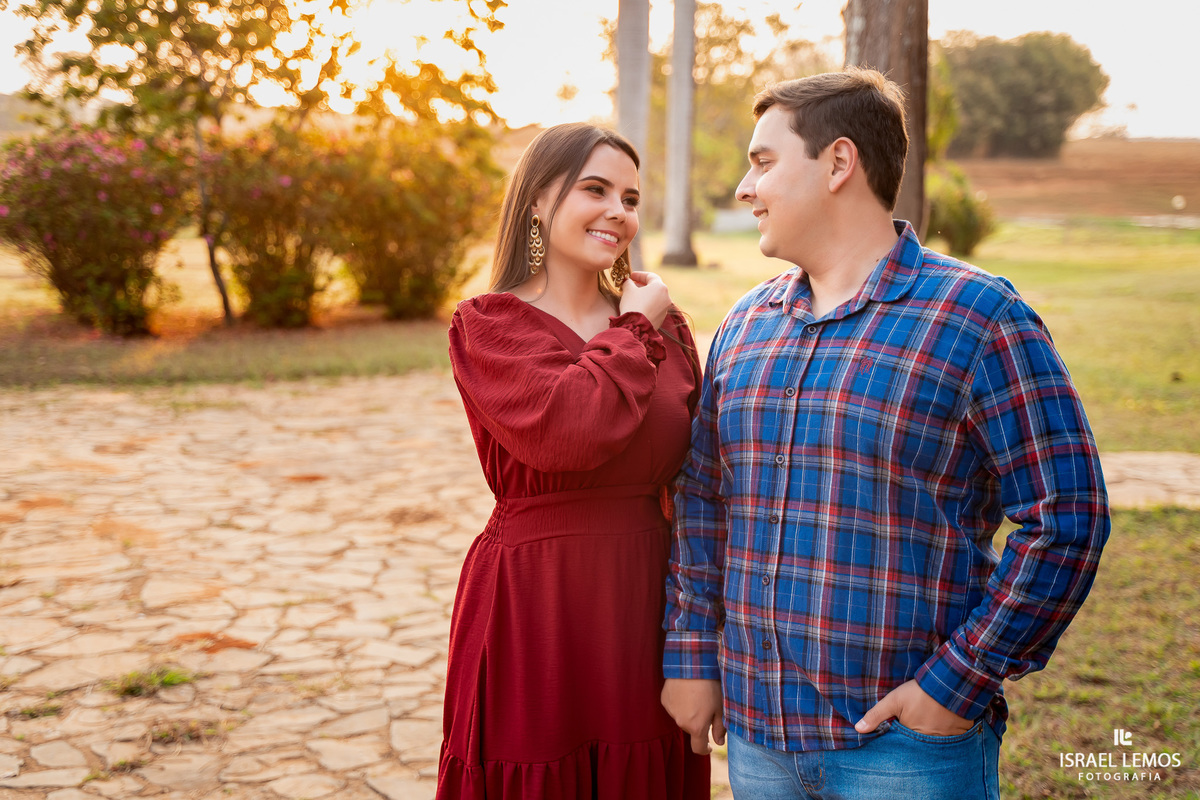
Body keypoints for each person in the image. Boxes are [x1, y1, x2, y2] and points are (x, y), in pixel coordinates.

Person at [660, 68, 1110, 799]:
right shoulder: (745, 324)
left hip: (907, 751)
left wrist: (957, 683)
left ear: (839, 163)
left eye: (763, 162)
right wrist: (689, 653)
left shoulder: (978, 316)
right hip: (758, 741)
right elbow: (707, 498)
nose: (746, 189)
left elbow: (1067, 518)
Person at [437, 122, 710, 800]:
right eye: (596, 189)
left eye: (630, 197)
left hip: (646, 600)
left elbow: (701, 474)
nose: (619, 212)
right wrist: (636, 331)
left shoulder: (666, 325)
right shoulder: (488, 326)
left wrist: (700, 640)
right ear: (537, 198)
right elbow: (570, 432)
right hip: (535, 604)